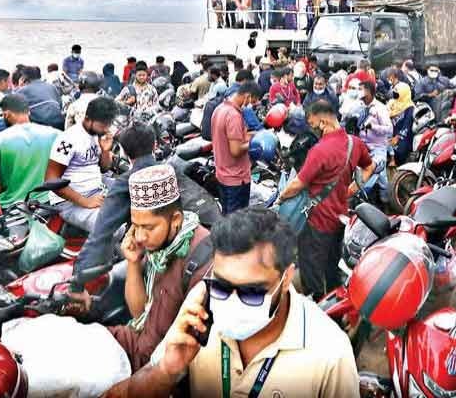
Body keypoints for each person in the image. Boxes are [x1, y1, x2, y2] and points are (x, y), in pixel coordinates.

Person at [103, 208, 358, 398]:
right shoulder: (198, 313)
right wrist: (166, 371)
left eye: (252, 292)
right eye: (222, 286)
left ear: (287, 276)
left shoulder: (330, 352)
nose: (232, 302)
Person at [106, 164, 212, 373]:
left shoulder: (201, 264)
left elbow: (187, 358)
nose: (139, 237)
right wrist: (134, 263)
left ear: (176, 220)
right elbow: (139, 313)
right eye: (135, 226)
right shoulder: (158, 248)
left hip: (154, 366)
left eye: (148, 227)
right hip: (135, 341)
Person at [277, 100, 374, 299]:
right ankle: (334, 296)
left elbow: (298, 183)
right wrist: (355, 187)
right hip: (340, 217)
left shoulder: (320, 150)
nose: (313, 130)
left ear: (323, 122)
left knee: (311, 267)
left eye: (313, 125)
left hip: (318, 222)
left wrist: (281, 196)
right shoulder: (354, 143)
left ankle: (319, 303)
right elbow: (369, 166)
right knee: (332, 262)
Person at [73, 123, 158, 283]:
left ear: (124, 152)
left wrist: (76, 284)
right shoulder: (170, 170)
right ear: (155, 145)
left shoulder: (126, 184)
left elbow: (100, 234)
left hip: (156, 261)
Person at [45, 96, 117, 232]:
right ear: (88, 119)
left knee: (133, 194)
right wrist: (85, 201)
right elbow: (51, 180)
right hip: (69, 202)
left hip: (96, 189)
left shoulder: (98, 135)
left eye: (108, 125)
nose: (106, 129)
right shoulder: (68, 140)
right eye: (102, 125)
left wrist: (105, 151)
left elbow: (104, 168)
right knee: (110, 227)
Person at [0, 94, 59, 209]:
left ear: (7, 114)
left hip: (12, 206)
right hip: (46, 204)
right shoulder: (53, 134)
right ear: (28, 112)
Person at [211, 81, 262, 214]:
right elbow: (235, 150)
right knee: (237, 223)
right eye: (252, 101)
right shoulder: (234, 116)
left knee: (227, 216)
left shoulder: (220, 109)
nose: (250, 104)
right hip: (236, 179)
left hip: (222, 174)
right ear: (247, 96)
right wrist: (254, 144)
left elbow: (234, 136)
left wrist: (256, 134)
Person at [357, 81, 393, 204]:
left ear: (369, 92)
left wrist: (373, 127)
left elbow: (389, 129)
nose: (358, 92)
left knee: (381, 178)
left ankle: (386, 203)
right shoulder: (360, 107)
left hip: (377, 148)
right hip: (362, 146)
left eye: (361, 89)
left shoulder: (380, 109)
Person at [388, 79, 415, 167]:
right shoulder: (392, 103)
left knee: (400, 151)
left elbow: (407, 126)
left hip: (403, 136)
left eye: (397, 92)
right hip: (390, 133)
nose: (395, 94)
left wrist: (397, 137)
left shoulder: (409, 107)